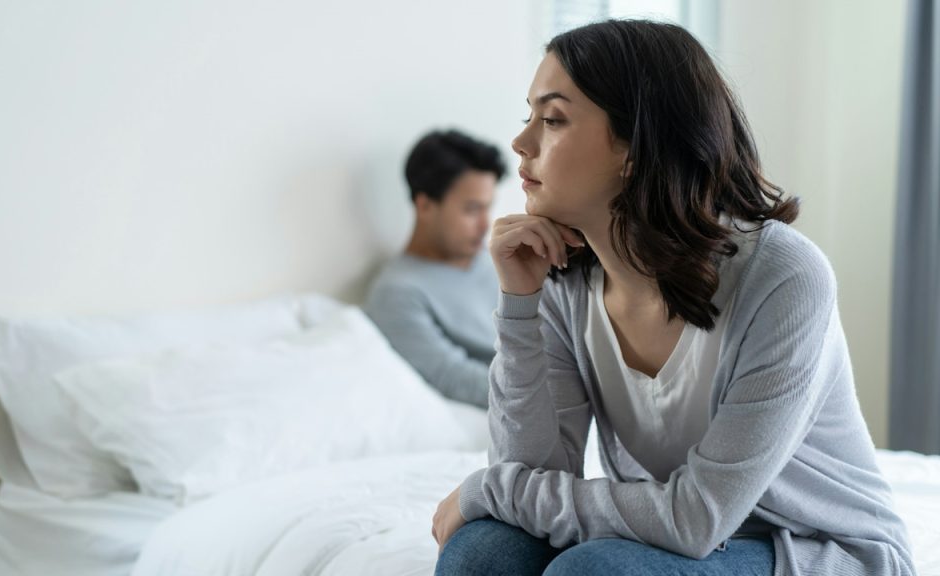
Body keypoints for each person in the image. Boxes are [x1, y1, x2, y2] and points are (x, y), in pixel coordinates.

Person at [431, 19, 915, 576]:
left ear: (636, 148)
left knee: (592, 572)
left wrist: (490, 488)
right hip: (668, 538)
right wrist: (520, 302)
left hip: (811, 549)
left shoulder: (783, 277)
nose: (520, 142)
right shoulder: (563, 281)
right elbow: (531, 474)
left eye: (554, 119)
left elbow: (696, 518)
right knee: (483, 552)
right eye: (528, 117)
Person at [364, 129, 507, 409]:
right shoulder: (397, 293)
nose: (485, 225)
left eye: (488, 208)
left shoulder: (496, 260)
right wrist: (550, 394)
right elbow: (452, 376)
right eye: (471, 210)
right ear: (425, 206)